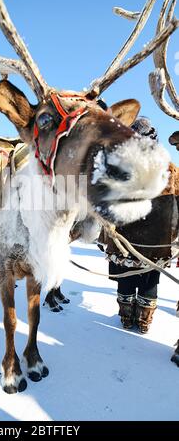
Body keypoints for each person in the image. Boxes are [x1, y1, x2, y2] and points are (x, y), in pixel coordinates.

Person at [99, 117, 178, 333]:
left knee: (126, 280)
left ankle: (127, 318)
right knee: (149, 281)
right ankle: (144, 322)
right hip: (154, 244)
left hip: (126, 241)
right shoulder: (171, 170)